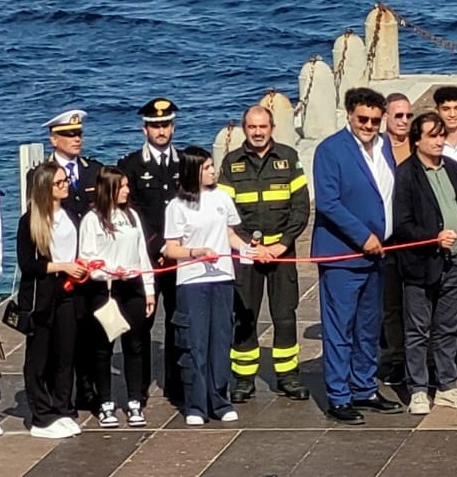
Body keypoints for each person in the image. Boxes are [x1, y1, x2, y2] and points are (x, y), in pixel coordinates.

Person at [313, 87, 406, 425]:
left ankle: (364, 387)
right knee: (340, 327)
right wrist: (362, 236)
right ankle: (338, 396)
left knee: (369, 325)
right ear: (350, 115)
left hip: (379, 254)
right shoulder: (330, 150)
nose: (368, 125)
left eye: (374, 120)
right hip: (343, 254)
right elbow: (328, 202)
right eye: (362, 119)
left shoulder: (383, 146)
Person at [218, 105, 312, 403]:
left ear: (272, 128)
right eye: (251, 127)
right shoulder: (231, 163)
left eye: (263, 127)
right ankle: (244, 379)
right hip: (247, 253)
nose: (257, 132)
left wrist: (281, 244)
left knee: (285, 315)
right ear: (244, 129)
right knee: (245, 316)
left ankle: (288, 377)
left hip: (281, 253)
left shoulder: (288, 158)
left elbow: (301, 208)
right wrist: (251, 247)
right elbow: (225, 212)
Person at [391, 112, 457, 415]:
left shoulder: (453, 167)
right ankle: (417, 388)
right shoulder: (405, 174)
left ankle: (446, 385)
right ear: (417, 140)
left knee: (448, 327)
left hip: (453, 261)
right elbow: (402, 224)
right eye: (432, 135)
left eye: (441, 135)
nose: (440, 140)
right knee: (417, 329)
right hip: (420, 264)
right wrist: (432, 237)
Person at [162, 148, 243, 427]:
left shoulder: (222, 197)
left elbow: (230, 234)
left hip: (221, 276)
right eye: (207, 167)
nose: (213, 171)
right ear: (193, 171)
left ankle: (220, 399)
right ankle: (195, 403)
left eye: (212, 166)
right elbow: (171, 248)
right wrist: (195, 252)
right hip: (193, 280)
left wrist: (250, 249)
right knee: (195, 342)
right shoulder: (177, 206)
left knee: (221, 340)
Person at [115, 98, 184, 404]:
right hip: (145, 257)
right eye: (155, 126)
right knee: (140, 323)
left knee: (178, 321)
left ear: (173, 126)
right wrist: (157, 246)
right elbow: (131, 211)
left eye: (166, 124)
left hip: (179, 257)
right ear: (145, 128)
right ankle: (137, 388)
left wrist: (177, 248)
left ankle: (177, 383)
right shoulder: (129, 165)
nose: (161, 130)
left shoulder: (185, 163)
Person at [75, 167, 155, 428]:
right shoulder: (92, 219)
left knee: (135, 345)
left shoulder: (131, 215)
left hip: (132, 287)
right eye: (121, 186)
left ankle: (134, 401)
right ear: (108, 188)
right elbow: (86, 259)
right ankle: (106, 402)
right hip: (105, 289)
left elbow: (142, 253)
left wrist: (149, 288)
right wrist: (107, 272)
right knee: (102, 348)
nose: (127, 191)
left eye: (127, 186)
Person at [17, 162, 84, 438]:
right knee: (39, 356)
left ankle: (62, 406)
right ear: (46, 188)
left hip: (68, 293)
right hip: (42, 295)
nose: (65, 185)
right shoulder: (30, 220)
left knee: (65, 353)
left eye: (65, 180)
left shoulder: (70, 213)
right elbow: (28, 265)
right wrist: (62, 266)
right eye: (59, 182)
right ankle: (41, 416)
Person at [379, 92, 413, 385]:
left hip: (414, 234)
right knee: (391, 303)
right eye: (398, 115)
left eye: (408, 116)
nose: (404, 121)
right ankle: (395, 356)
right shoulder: (376, 148)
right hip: (387, 237)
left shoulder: (417, 145)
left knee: (416, 300)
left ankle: (419, 356)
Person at [35, 110, 103, 223]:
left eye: (79, 134)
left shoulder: (96, 170)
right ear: (54, 139)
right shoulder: (40, 175)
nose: (77, 139)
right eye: (70, 135)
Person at [386, 93, 414, 163]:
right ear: (385, 116)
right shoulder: (375, 146)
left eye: (408, 116)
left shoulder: (418, 143)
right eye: (399, 116)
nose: (405, 121)